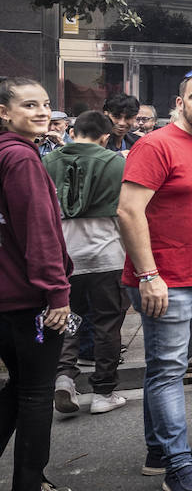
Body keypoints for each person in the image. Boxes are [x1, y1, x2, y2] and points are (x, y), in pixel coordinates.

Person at [117, 69, 192, 491]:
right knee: (168, 372)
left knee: (168, 369)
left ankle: (159, 452)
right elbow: (128, 212)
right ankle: (177, 466)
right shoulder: (154, 145)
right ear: (178, 103)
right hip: (166, 281)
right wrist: (148, 276)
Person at [0, 77, 75, 491]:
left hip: (10, 297)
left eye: (46, 104)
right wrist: (58, 294)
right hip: (29, 300)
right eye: (29, 105)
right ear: (5, 113)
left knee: (18, 388)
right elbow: (41, 233)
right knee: (34, 394)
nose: (42, 112)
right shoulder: (22, 160)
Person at [44, 111, 128, 416]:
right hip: (107, 254)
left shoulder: (48, 161)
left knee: (69, 317)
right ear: (105, 136)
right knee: (107, 322)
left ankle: (64, 376)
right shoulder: (116, 161)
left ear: (73, 129)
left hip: (64, 254)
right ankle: (104, 391)